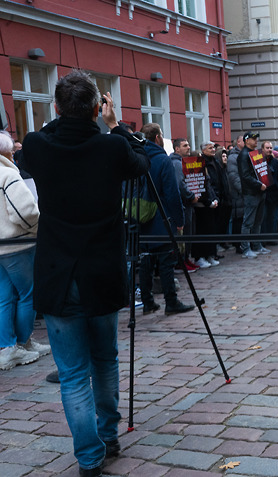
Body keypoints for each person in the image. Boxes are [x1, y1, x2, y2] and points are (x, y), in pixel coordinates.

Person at [22, 69, 150, 476]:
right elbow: (142, 162)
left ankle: (90, 458)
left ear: (57, 107)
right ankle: (107, 435)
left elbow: (31, 148)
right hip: (101, 272)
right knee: (105, 361)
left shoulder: (38, 146)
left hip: (59, 275)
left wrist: (70, 116)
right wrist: (114, 124)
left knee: (74, 374)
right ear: (97, 107)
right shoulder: (110, 147)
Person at [0, 130, 49, 371]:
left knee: (5, 297)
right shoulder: (8, 174)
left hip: (1, 247)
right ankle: (21, 343)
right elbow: (26, 212)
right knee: (29, 294)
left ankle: (10, 347)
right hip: (17, 244)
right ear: (6, 151)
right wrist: (37, 229)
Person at [138, 124, 194, 315]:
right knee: (166, 260)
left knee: (145, 260)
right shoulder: (162, 159)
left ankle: (147, 302)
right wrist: (179, 219)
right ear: (157, 138)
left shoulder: (137, 157)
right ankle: (171, 301)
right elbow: (172, 193)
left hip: (140, 216)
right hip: (160, 218)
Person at [238, 132, 270, 258]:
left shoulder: (255, 153)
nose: (256, 140)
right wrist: (258, 184)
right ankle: (245, 249)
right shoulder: (244, 155)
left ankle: (257, 245)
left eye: (256, 138)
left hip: (260, 191)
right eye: (253, 138)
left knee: (258, 221)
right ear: (246, 141)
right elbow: (245, 176)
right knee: (248, 222)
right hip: (251, 193)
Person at [169, 138, 199, 271]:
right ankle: (180, 261)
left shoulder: (183, 162)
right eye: (185, 145)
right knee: (184, 233)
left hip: (188, 203)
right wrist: (191, 196)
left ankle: (186, 258)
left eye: (188, 145)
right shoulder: (176, 163)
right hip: (184, 203)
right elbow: (180, 184)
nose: (188, 147)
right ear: (177, 149)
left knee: (189, 233)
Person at [192, 142, 220, 268]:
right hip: (201, 204)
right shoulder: (199, 164)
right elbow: (200, 185)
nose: (213, 150)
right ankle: (200, 256)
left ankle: (210, 254)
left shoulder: (215, 162)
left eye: (214, 147)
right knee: (202, 231)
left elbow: (211, 184)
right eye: (210, 148)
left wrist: (215, 198)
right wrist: (208, 201)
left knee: (211, 229)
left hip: (211, 201)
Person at [226, 135, 245, 252]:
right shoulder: (233, 157)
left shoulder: (246, 154)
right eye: (244, 140)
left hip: (245, 193)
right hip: (238, 194)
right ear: (238, 142)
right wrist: (244, 190)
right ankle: (238, 245)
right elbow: (234, 176)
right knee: (238, 220)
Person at [262, 143, 278, 242]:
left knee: (274, 217)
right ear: (262, 149)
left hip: (275, 194)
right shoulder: (259, 161)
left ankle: (272, 238)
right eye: (267, 148)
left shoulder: (275, 162)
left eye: (271, 148)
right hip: (265, 194)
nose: (269, 150)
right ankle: (264, 239)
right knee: (264, 217)